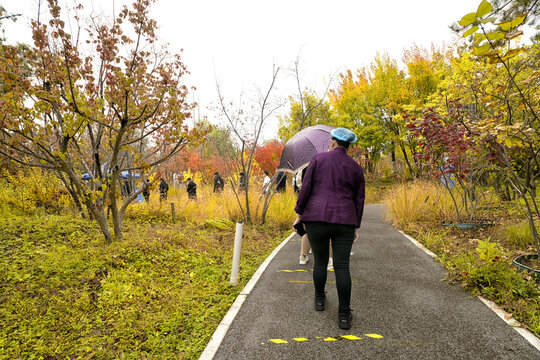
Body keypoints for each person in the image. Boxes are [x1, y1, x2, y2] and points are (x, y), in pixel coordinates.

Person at [294, 127, 365, 330]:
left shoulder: (318, 159)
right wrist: (356, 226)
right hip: (345, 221)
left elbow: (306, 188)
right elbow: (359, 200)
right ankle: (344, 313)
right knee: (342, 266)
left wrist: (300, 214)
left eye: (330, 141)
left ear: (333, 142)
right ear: (348, 145)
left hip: (316, 219)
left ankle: (319, 299)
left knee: (320, 261)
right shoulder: (356, 168)